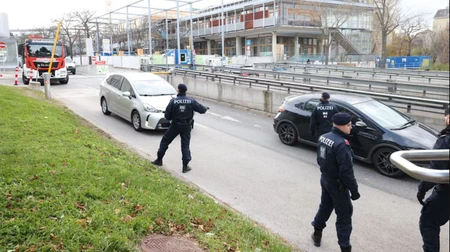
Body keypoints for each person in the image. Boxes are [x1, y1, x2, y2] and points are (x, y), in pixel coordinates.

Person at [311, 112, 360, 252]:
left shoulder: (324, 137)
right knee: (344, 216)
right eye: (348, 125)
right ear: (340, 126)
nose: (351, 127)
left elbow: (319, 159)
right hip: (338, 186)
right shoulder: (341, 144)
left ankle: (317, 233)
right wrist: (354, 191)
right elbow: (347, 173)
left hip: (325, 179)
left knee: (325, 206)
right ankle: (345, 247)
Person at [152, 84, 209, 173]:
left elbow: (167, 115)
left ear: (178, 90)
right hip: (186, 126)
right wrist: (205, 108)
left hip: (175, 125)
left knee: (165, 141)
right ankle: (185, 166)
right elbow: (202, 110)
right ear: (185, 91)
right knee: (185, 145)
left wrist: (172, 118)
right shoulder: (191, 101)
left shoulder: (173, 101)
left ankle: (159, 160)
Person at [417, 108, 449, 252]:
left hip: (447, 192)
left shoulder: (445, 141)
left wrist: (422, 189)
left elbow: (435, 170)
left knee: (428, 221)